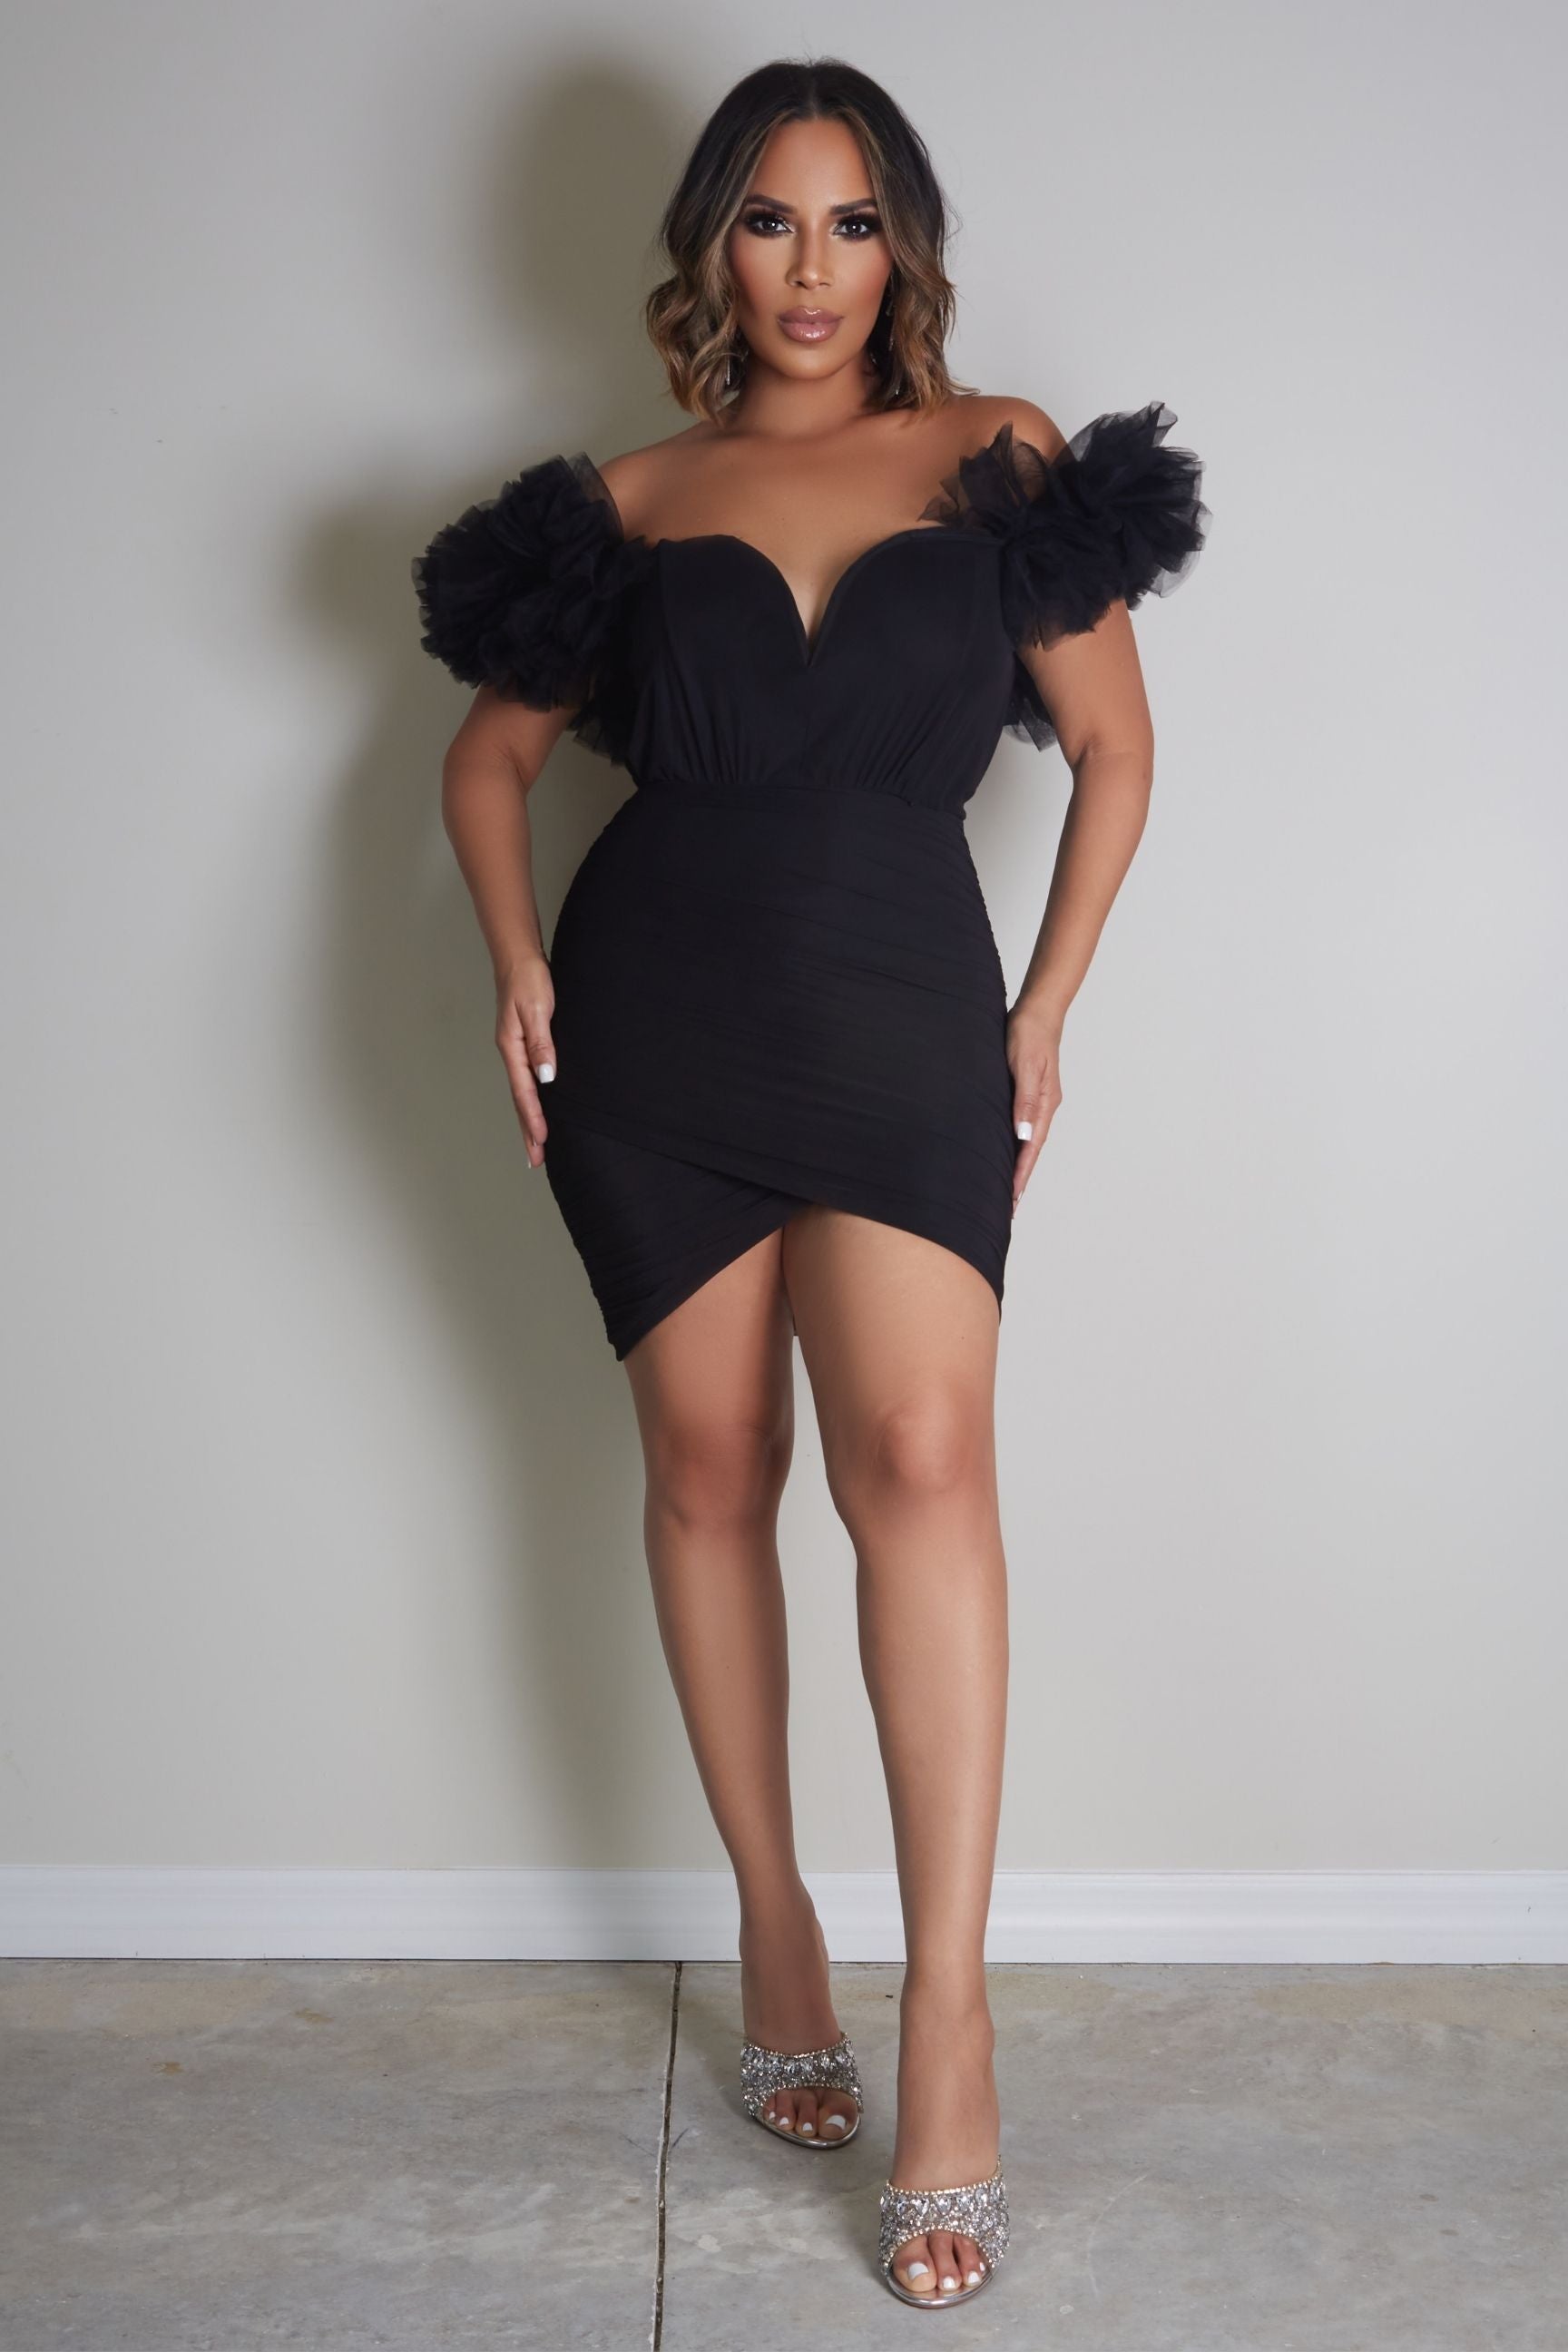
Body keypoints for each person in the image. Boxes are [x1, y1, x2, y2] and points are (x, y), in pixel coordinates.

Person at [412, 54, 1208, 2310]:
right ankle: (775, 1921)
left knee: (923, 1460)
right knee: (707, 1468)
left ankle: (948, 2014)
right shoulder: (626, 500)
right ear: (712, 247)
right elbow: (484, 766)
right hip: (654, 1027)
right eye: (769, 220)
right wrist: (515, 965)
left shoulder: (998, 460)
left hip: (900, 1015)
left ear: (904, 249)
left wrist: (1045, 1008)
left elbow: (1119, 753)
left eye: (853, 223)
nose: (811, 268)